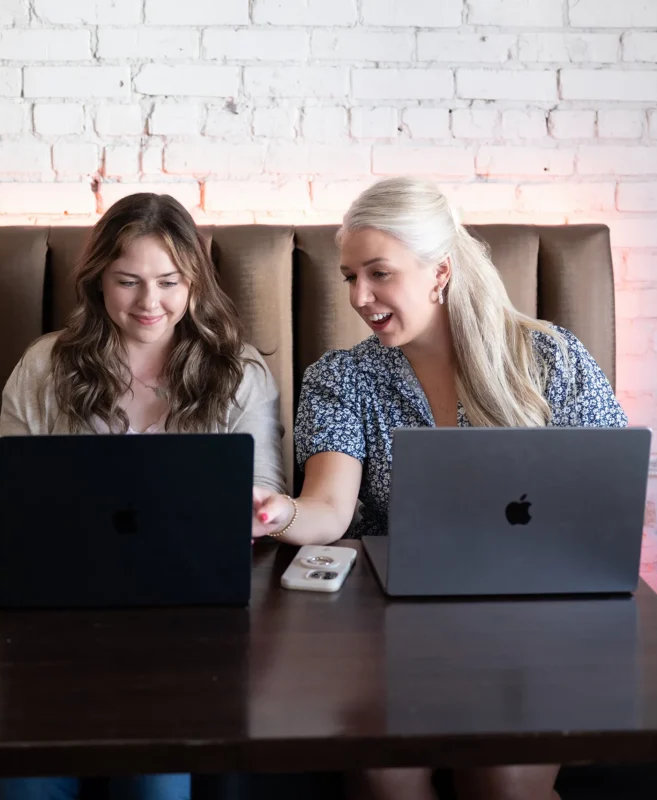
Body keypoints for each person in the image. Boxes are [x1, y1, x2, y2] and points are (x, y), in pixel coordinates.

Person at [252, 176, 627, 800]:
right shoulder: (342, 378)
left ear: (439, 272)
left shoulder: (551, 358)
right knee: (387, 776)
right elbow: (328, 508)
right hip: (389, 629)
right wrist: (275, 512)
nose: (359, 295)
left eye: (378, 273)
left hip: (529, 621)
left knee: (504, 781)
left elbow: (610, 498)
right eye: (349, 276)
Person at [0, 192, 286, 800]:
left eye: (170, 281)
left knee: (159, 784)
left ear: (196, 282)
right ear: (97, 282)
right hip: (56, 633)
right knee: (20, 789)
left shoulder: (239, 373)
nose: (151, 303)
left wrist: (251, 512)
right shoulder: (43, 368)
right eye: (128, 281)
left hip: (190, 634)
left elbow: (267, 506)